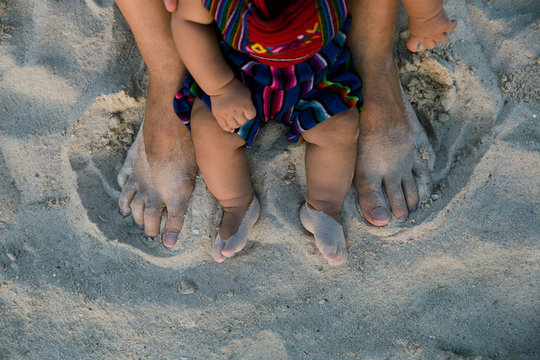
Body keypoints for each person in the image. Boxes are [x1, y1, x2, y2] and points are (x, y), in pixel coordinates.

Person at [114, 0, 456, 258]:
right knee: (209, 129)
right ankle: (237, 205)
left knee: (339, 125)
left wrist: (424, 14)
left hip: (317, 67)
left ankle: (323, 207)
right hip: (239, 71)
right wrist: (219, 89)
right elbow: (189, 22)